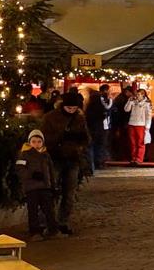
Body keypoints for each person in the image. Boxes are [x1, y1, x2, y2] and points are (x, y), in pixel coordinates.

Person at [46, 90, 89, 235]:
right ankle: (47, 222)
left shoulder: (79, 118)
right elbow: (45, 138)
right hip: (56, 158)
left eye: (74, 108)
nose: (71, 111)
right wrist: (61, 137)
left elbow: (87, 138)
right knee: (51, 191)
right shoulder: (51, 118)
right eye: (69, 108)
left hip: (73, 159)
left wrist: (79, 143)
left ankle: (62, 222)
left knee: (69, 193)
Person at [14, 128, 57, 241]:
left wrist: (53, 185)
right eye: (34, 141)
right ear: (29, 142)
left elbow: (51, 171)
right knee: (33, 210)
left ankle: (53, 230)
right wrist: (31, 175)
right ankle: (34, 232)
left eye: (39, 141)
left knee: (49, 209)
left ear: (42, 142)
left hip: (45, 187)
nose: (36, 144)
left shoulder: (46, 155)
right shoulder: (24, 154)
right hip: (31, 188)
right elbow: (20, 169)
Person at [125, 83, 153, 169]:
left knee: (140, 142)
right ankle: (133, 158)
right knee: (133, 142)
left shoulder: (147, 104)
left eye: (139, 94)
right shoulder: (133, 101)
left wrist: (147, 127)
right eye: (136, 94)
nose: (137, 96)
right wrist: (130, 101)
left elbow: (148, 115)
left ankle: (139, 159)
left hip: (141, 125)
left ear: (143, 95)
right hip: (132, 123)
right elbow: (126, 109)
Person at [83, 86, 110, 177]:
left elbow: (87, 119)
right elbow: (104, 116)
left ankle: (91, 166)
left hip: (91, 129)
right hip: (101, 129)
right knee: (99, 147)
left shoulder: (89, 108)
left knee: (91, 147)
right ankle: (98, 162)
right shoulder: (101, 107)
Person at [108, 83, 133, 162]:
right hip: (121, 123)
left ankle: (120, 156)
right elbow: (123, 113)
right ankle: (122, 156)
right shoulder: (122, 99)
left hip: (119, 123)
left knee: (121, 140)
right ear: (127, 92)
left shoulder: (120, 98)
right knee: (123, 140)